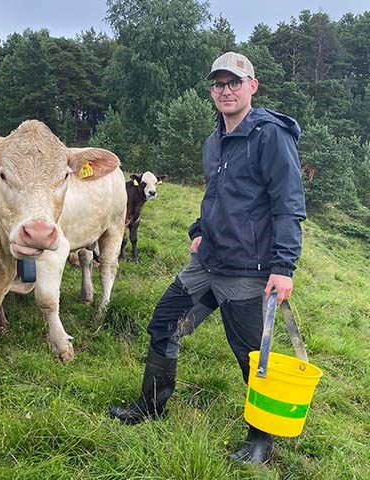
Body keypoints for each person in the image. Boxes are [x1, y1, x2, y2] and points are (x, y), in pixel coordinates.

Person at [108, 51, 306, 466]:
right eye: (218, 83)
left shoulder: (271, 135)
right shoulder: (213, 142)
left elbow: (288, 204)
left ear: (252, 86)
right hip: (206, 264)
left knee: (251, 355)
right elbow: (215, 197)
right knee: (165, 324)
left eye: (235, 82)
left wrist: (283, 268)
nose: (226, 90)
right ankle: (151, 407)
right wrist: (198, 231)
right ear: (211, 91)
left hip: (248, 271)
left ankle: (260, 439)